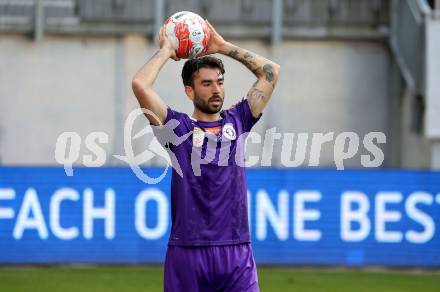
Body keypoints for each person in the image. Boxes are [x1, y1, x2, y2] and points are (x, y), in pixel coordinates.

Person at [132, 20, 280, 292]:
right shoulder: (177, 129)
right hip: (188, 252)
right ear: (189, 90)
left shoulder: (239, 120)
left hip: (237, 251)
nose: (216, 90)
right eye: (207, 84)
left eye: (220, 83)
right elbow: (140, 85)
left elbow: (270, 72)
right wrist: (167, 50)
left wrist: (222, 47)